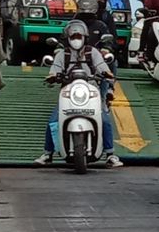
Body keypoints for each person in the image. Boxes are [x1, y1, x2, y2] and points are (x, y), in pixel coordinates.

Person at [35, 19, 123, 167]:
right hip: (68, 91)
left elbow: (102, 66)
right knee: (53, 121)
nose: (76, 40)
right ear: (68, 39)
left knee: (105, 119)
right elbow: (54, 70)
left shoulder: (93, 52)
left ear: (85, 37)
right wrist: (52, 77)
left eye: (79, 37)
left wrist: (106, 73)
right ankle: (48, 153)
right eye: (73, 37)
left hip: (90, 89)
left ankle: (110, 154)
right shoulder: (62, 54)